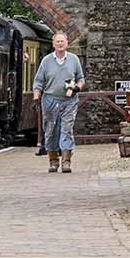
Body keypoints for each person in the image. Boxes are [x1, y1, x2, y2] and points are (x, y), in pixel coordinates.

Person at [31, 32, 86, 173]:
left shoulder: (74, 59)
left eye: (62, 41)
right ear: (53, 44)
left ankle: (66, 162)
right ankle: (53, 161)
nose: (60, 44)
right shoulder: (46, 61)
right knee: (50, 130)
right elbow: (38, 81)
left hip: (69, 100)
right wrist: (36, 97)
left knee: (66, 129)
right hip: (50, 99)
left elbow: (81, 78)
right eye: (57, 41)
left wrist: (77, 88)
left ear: (67, 43)